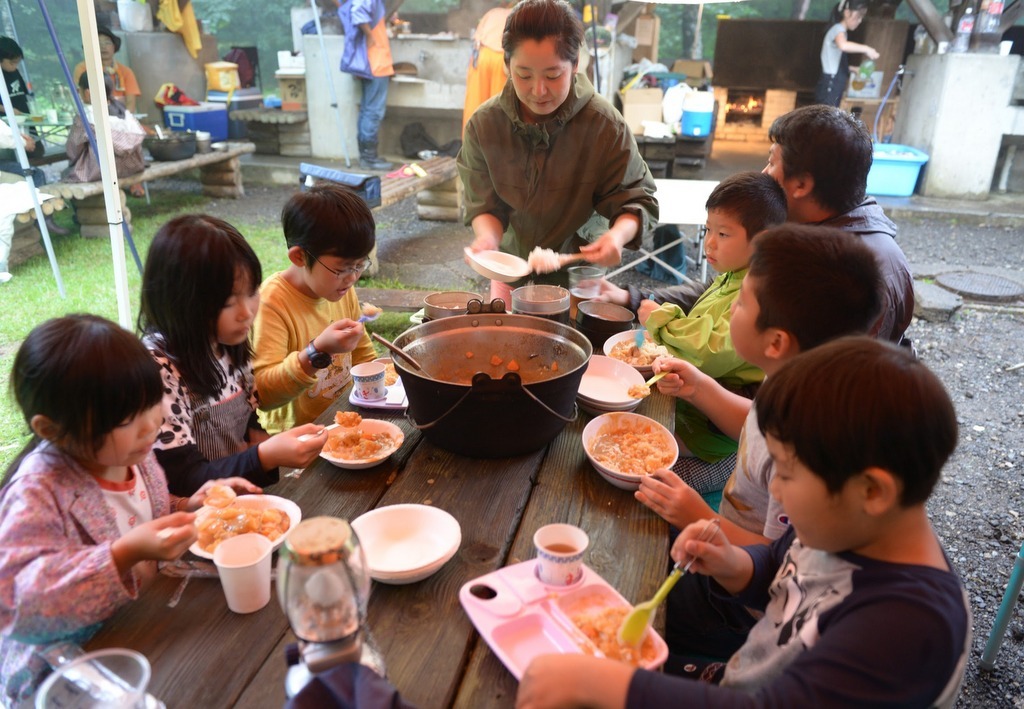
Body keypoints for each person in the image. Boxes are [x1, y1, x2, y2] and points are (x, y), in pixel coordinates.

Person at [516, 337, 969, 708]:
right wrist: (735, 564)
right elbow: (783, 563)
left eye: (786, 475)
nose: (777, 494)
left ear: (873, 491)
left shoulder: (907, 630)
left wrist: (602, 685)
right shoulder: (852, 526)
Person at [638, 224, 884, 663]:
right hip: (722, 543)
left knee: (630, 576)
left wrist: (696, 512)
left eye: (739, 304)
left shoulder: (807, 451)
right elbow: (754, 424)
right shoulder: (793, 376)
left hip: (741, 608)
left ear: (776, 341)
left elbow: (777, 558)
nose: (728, 312)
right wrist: (701, 389)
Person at [0, 314, 261, 703]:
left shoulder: (130, 453)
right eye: (126, 418)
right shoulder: (38, 492)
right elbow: (17, 602)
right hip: (69, 669)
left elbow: (141, 510)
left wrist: (189, 504)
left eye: (152, 402)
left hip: (145, 625)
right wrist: (122, 554)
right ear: (51, 429)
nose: (151, 425)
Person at [458, 0, 658, 302]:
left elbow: (637, 199)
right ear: (506, 64)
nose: (538, 91)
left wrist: (617, 235)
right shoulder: (485, 125)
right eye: (524, 75)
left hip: (579, 279)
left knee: (576, 346)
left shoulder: (604, 125)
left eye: (553, 75)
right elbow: (483, 203)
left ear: (575, 64)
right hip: (511, 271)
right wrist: (488, 238)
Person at [138, 215, 330, 497]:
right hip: (193, 518)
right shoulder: (158, 369)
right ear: (179, 302)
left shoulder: (227, 340)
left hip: (239, 501)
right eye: (228, 302)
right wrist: (264, 455)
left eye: (252, 292)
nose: (246, 312)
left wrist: (261, 440)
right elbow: (183, 478)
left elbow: (247, 420)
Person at [638, 172, 786, 495]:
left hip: (717, 437)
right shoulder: (731, 274)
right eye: (708, 230)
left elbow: (711, 352)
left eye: (723, 233)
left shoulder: (758, 291)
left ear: (761, 242)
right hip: (694, 408)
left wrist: (662, 319)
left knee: (648, 477)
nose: (709, 242)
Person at [764, 103, 913, 345]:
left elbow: (824, 378)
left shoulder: (850, 275)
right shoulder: (814, 234)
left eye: (771, 163)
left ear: (801, 185)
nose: (763, 174)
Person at [252, 183, 378, 435]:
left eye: (360, 265)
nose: (352, 277)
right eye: (342, 268)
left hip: (342, 423)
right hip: (293, 443)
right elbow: (263, 395)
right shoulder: (271, 303)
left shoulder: (339, 288)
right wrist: (316, 351)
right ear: (299, 257)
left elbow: (362, 353)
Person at [64, 72, 146, 193]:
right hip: (132, 166)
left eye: (79, 90)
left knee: (68, 175)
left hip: (99, 170)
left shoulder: (86, 115)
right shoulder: (122, 110)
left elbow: (73, 148)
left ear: (88, 93)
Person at [339, 0, 395, 170]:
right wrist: (370, 36)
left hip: (370, 63)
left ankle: (366, 156)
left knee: (366, 110)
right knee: (373, 111)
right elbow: (358, 13)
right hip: (375, 63)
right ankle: (369, 158)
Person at [815, 0, 879, 107]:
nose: (859, 21)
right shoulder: (838, 29)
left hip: (832, 84)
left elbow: (833, 63)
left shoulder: (839, 30)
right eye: (858, 16)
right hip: (830, 85)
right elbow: (843, 45)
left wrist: (853, 69)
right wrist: (867, 49)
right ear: (847, 13)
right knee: (827, 119)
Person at [462, 3, 512, 129]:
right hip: (502, 59)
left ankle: (471, 147)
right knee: (500, 115)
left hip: (480, 57)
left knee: (475, 109)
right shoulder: (528, 13)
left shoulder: (492, 13)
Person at [73, 26, 141, 114]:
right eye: (98, 43)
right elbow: (85, 99)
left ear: (114, 47)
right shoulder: (83, 68)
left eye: (107, 42)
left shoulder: (126, 72)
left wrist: (124, 120)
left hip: (121, 118)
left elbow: (130, 102)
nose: (103, 47)